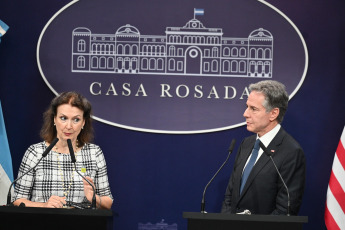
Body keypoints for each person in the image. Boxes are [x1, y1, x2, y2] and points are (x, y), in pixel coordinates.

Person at [13, 92, 113, 209]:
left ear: (83, 123)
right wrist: (44, 205)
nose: (69, 126)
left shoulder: (94, 153)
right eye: (63, 118)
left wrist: (95, 198)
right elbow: (18, 199)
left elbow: (108, 202)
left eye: (76, 119)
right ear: (54, 119)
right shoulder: (36, 153)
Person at [221, 80, 305, 215]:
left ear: (273, 113)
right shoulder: (246, 144)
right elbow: (230, 196)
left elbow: (285, 209)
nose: (245, 114)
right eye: (247, 107)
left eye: (253, 109)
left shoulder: (291, 152)